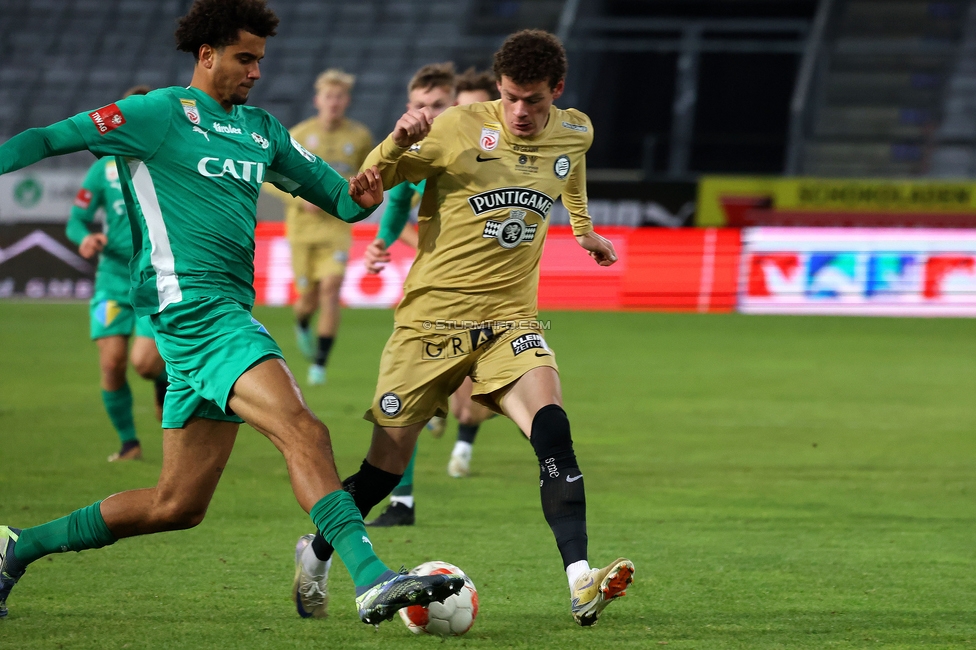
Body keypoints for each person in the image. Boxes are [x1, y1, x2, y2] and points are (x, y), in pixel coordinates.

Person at [0, 0, 462, 624]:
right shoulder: (155, 113)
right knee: (306, 431)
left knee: (176, 505)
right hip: (195, 311)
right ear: (206, 54)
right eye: (245, 59)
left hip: (214, 319)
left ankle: (16, 549)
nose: (256, 72)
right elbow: (51, 137)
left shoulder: (263, 130)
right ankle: (372, 579)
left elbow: (344, 202)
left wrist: (374, 177)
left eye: (261, 61)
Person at [296, 31, 634, 626]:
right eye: (510, 99)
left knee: (553, 430)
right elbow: (374, 182)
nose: (521, 112)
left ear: (556, 90)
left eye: (533, 100)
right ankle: (317, 548)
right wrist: (394, 144)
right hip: (430, 319)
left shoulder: (574, 128)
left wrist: (581, 228)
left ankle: (581, 580)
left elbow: (570, 168)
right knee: (382, 473)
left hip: (510, 318)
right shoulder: (455, 128)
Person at [364, 67, 501, 529]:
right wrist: (383, 241)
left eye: (443, 104)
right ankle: (402, 500)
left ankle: (462, 438)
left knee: (469, 405)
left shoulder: (490, 150)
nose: (434, 113)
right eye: (424, 104)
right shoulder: (422, 152)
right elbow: (398, 198)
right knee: (407, 399)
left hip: (488, 295)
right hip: (434, 294)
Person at [66, 84, 168, 462]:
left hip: (154, 276)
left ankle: (162, 380)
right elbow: (77, 219)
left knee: (145, 363)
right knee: (111, 363)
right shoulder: (103, 168)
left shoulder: (168, 162)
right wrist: (85, 238)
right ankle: (129, 444)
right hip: (112, 275)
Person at [268, 70, 372, 385]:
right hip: (303, 230)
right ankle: (301, 323)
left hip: (336, 228)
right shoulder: (298, 134)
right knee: (307, 298)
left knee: (331, 290)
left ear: (347, 101)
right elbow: (269, 176)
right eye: (329, 96)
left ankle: (320, 365)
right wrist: (300, 199)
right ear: (318, 100)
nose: (334, 103)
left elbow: (370, 174)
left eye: (340, 97)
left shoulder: (359, 137)